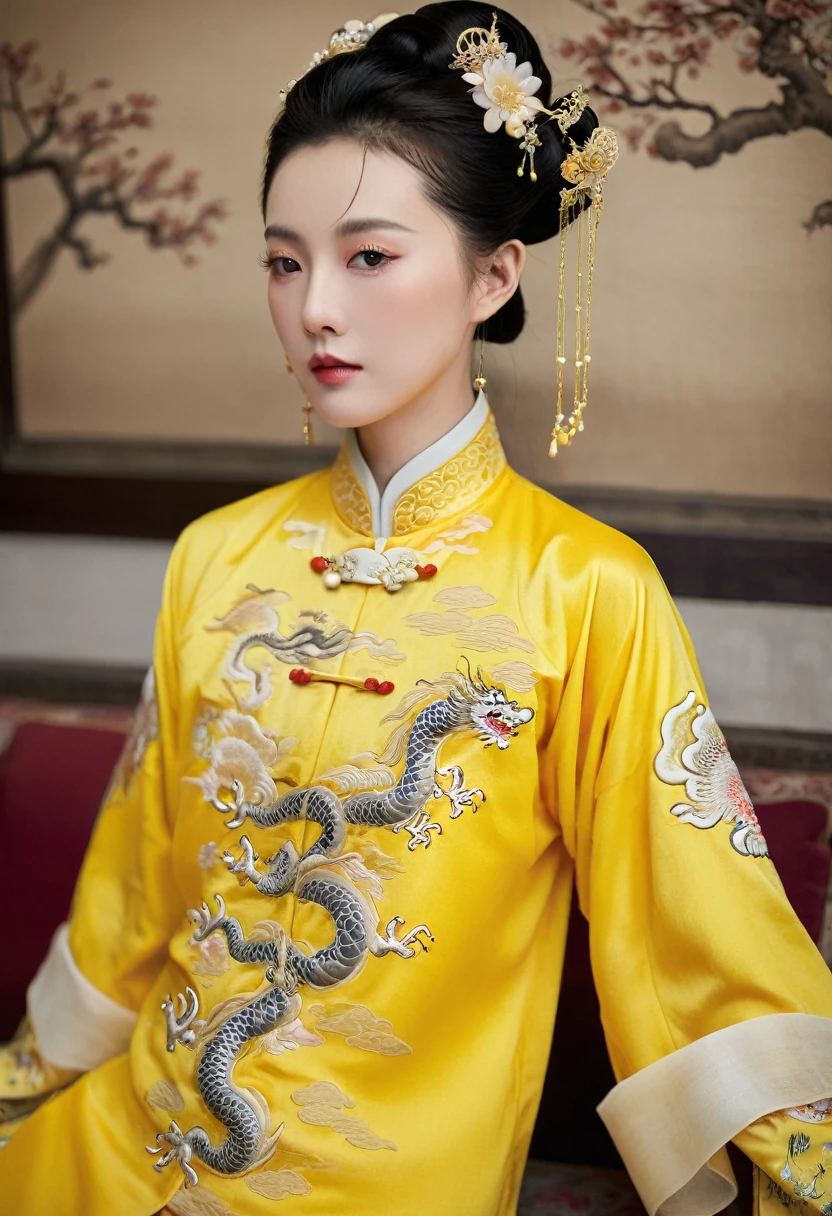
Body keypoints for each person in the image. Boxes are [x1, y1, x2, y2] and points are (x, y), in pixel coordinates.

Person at [1, 5, 831, 1215]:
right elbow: (136, 891)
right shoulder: (215, 559)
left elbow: (697, 938)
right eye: (285, 261)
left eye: (368, 256)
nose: (315, 309)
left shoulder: (586, 590)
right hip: (116, 1155)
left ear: (494, 274)